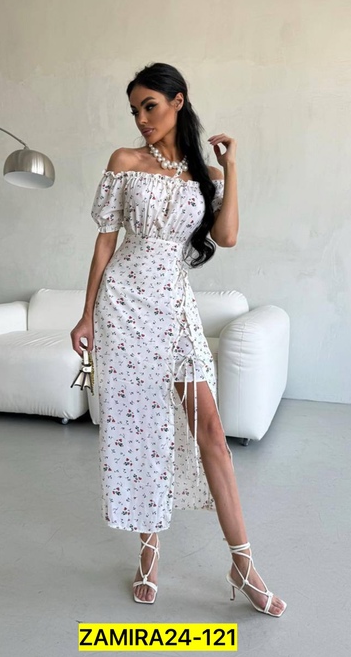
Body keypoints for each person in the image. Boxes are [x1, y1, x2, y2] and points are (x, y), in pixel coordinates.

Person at [70, 62, 286, 617]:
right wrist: (86, 315)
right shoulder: (124, 162)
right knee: (141, 429)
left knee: (211, 429)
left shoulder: (205, 175)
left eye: (150, 106)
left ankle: (243, 563)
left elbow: (227, 237)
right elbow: (105, 242)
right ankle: (148, 549)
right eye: (135, 110)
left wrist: (230, 168)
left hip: (175, 310)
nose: (142, 119)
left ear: (178, 101)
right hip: (123, 306)